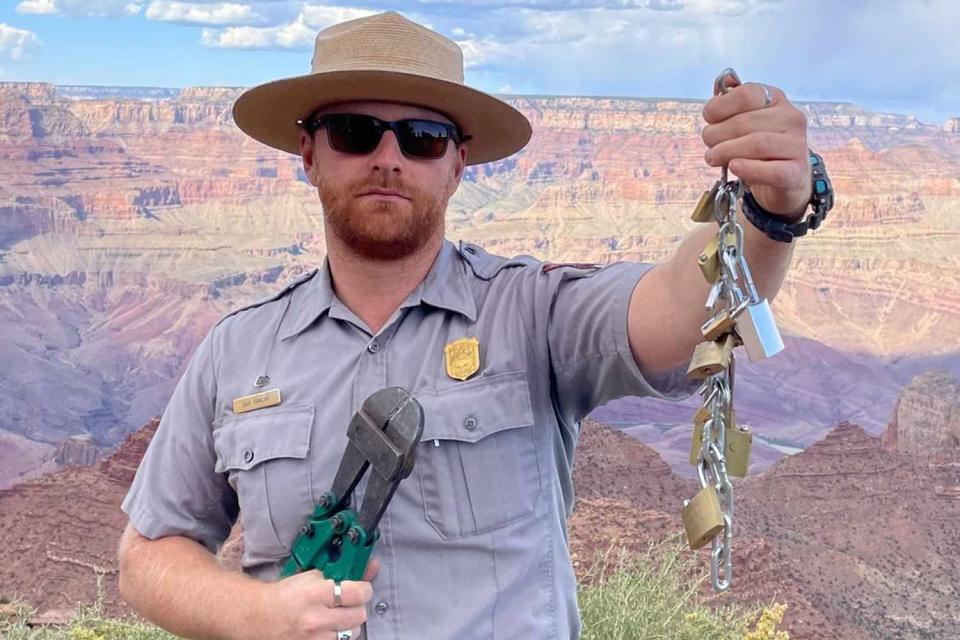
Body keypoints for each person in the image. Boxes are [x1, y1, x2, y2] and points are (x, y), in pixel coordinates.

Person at [116, 10, 822, 640]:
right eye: (354, 132)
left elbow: (677, 310)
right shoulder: (236, 351)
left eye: (421, 138)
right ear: (309, 154)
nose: (387, 159)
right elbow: (146, 556)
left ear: (457, 165)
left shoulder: (533, 314)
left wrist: (769, 210)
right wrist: (255, 616)